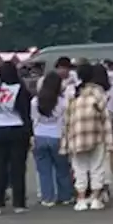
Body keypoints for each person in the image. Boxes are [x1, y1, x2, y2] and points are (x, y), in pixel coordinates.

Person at [61, 63, 113, 211]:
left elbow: (67, 118)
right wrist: (110, 142)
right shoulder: (98, 92)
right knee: (97, 167)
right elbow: (105, 117)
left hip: (76, 135)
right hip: (96, 134)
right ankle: (96, 198)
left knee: (79, 168)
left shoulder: (72, 92)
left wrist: (65, 142)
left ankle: (81, 199)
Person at [0, 61, 33, 215]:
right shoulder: (20, 88)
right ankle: (19, 203)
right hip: (16, 127)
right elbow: (25, 112)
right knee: (18, 167)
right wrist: (30, 132)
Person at [32, 71, 73, 207]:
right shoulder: (62, 102)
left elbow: (34, 119)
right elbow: (65, 121)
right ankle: (65, 196)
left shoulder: (35, 101)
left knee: (44, 170)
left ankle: (47, 198)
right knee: (62, 169)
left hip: (40, 136)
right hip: (57, 136)